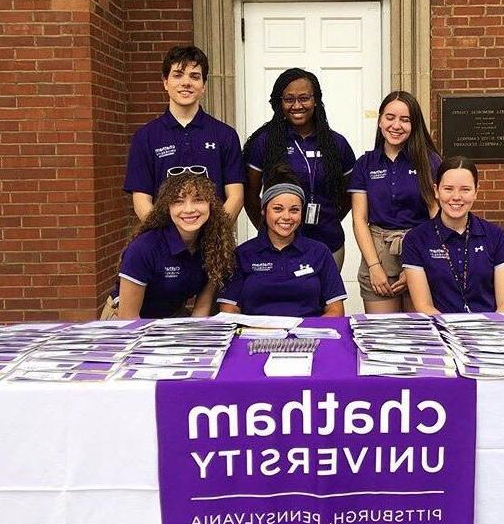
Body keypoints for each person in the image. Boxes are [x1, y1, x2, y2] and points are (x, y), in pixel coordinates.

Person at [242, 68, 356, 270]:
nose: (297, 106)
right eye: (289, 99)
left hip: (328, 242)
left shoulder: (336, 143)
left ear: (316, 100)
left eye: (304, 98)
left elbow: (349, 195)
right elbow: (250, 196)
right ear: (280, 102)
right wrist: (268, 227)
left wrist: (329, 217)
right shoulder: (264, 142)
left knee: (325, 300)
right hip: (279, 244)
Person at [123, 45, 245, 223]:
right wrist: (166, 238)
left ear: (203, 85)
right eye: (178, 75)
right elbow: (141, 200)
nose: (186, 82)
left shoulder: (225, 135)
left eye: (194, 76)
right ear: (165, 82)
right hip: (163, 244)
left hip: (213, 244)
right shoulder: (145, 137)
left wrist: (215, 234)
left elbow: (236, 196)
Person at [348, 91, 441, 313]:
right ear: (380, 120)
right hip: (378, 253)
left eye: (405, 119)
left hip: (420, 250)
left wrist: (416, 267)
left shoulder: (430, 162)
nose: (396, 125)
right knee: (383, 334)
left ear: (414, 125)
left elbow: (436, 217)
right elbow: (359, 219)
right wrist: (374, 267)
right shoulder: (365, 164)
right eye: (390, 117)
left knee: (419, 335)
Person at [218, 166, 347, 317]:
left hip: (307, 338)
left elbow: (335, 310)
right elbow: (229, 309)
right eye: (278, 209)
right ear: (264, 211)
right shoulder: (242, 254)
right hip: (256, 337)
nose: (287, 217)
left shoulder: (320, 252)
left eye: (294, 210)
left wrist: (307, 333)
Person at [112, 171, 235, 319]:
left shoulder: (215, 245)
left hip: (170, 321)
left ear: (211, 205)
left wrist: (194, 338)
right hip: (124, 322)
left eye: (198, 200)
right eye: (178, 201)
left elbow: (202, 308)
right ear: (167, 208)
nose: (189, 209)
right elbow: (128, 319)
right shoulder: (144, 248)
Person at [402, 156, 504, 314]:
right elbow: (424, 306)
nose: (456, 197)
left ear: (476, 191)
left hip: (489, 330)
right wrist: (453, 334)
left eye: (465, 189)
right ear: (436, 191)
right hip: (441, 331)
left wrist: (487, 334)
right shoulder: (415, 240)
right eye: (448, 189)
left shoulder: (496, 237)